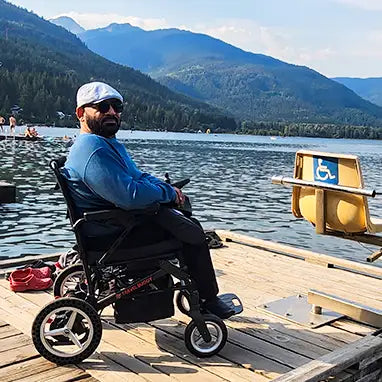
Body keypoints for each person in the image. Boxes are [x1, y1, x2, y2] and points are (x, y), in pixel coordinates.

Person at [63, 82, 234, 319]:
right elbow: (130, 195)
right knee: (191, 233)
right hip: (111, 235)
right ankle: (207, 299)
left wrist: (166, 189)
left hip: (116, 225)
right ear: (81, 113)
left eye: (117, 106)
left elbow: (138, 177)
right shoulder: (92, 149)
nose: (112, 112)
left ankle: (197, 291)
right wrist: (168, 194)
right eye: (103, 107)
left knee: (183, 223)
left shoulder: (107, 143)